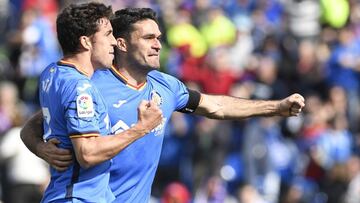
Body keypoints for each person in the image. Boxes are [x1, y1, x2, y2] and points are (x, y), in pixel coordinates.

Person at [21, 7, 305, 202]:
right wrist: (42, 148)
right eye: (148, 38)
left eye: (159, 37)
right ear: (120, 43)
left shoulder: (166, 86)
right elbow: (33, 126)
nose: (158, 44)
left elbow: (216, 106)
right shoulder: (92, 84)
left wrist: (276, 107)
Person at [31, 4, 163, 203]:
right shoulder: (80, 87)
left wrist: (41, 148)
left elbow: (29, 128)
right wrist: (141, 128)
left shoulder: (52, 73)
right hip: (78, 197)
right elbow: (87, 154)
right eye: (108, 34)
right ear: (86, 42)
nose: (114, 42)